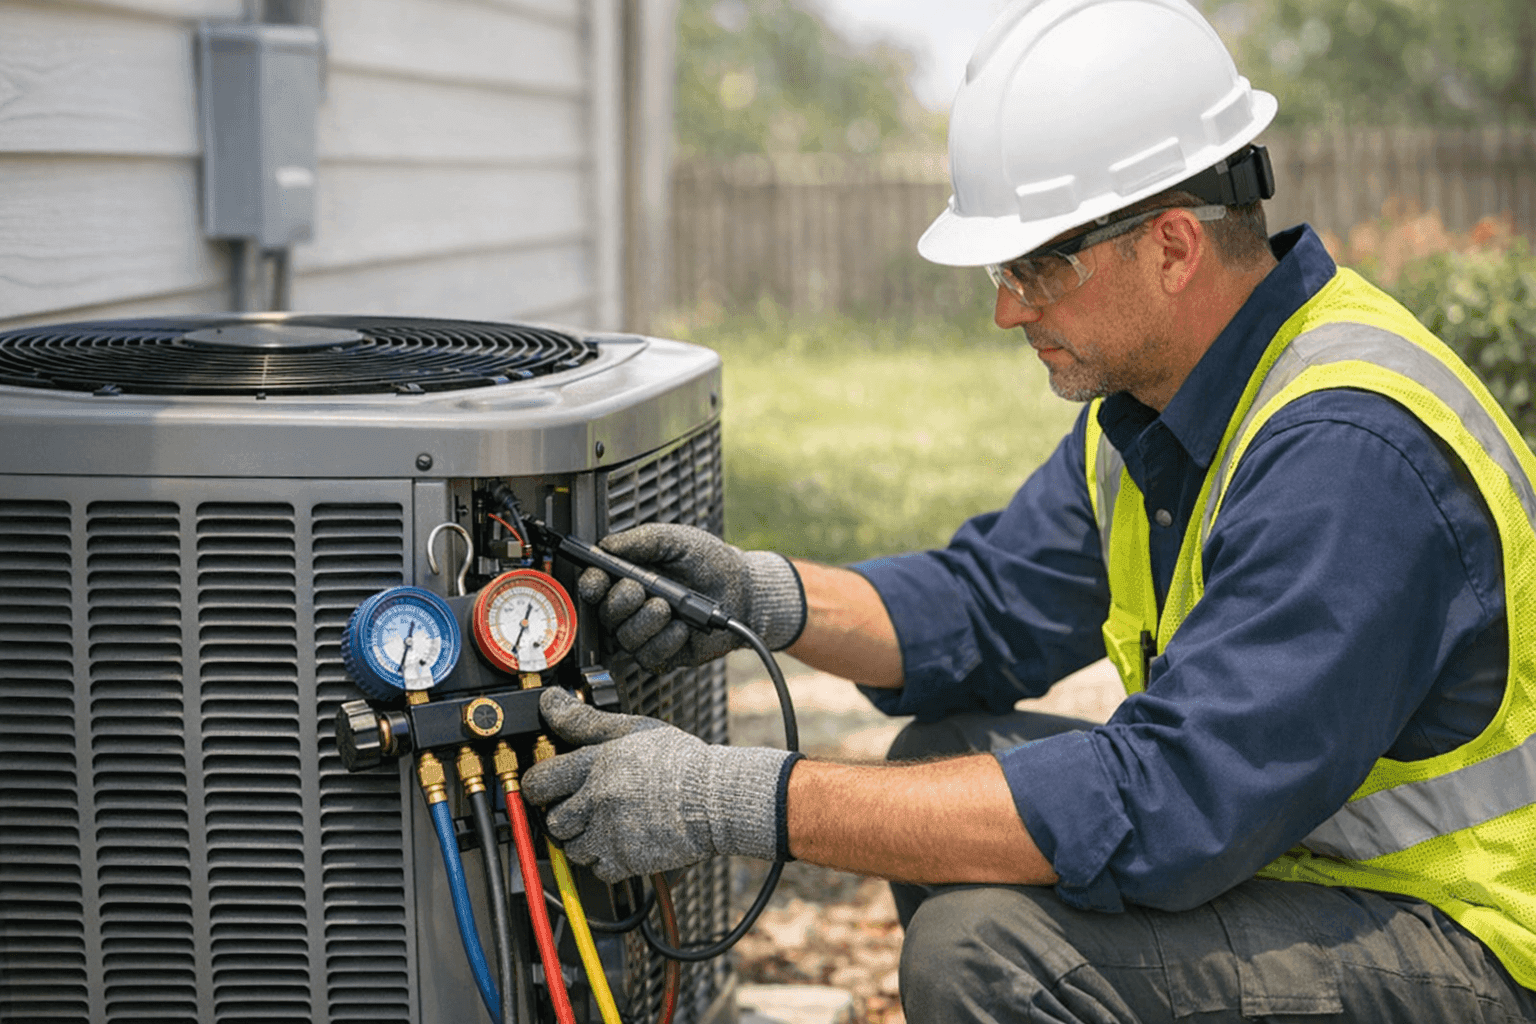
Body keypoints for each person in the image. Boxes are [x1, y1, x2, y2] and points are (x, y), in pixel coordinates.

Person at [521, 1, 1536, 1019]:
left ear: (1175, 246)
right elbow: (988, 606)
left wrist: (729, 798)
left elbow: (1173, 800)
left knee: (987, 953)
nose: (1009, 308)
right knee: (943, 761)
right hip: (1311, 866)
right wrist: (759, 598)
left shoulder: (1350, 451)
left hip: (1470, 944)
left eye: (1037, 266)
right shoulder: (1163, 404)